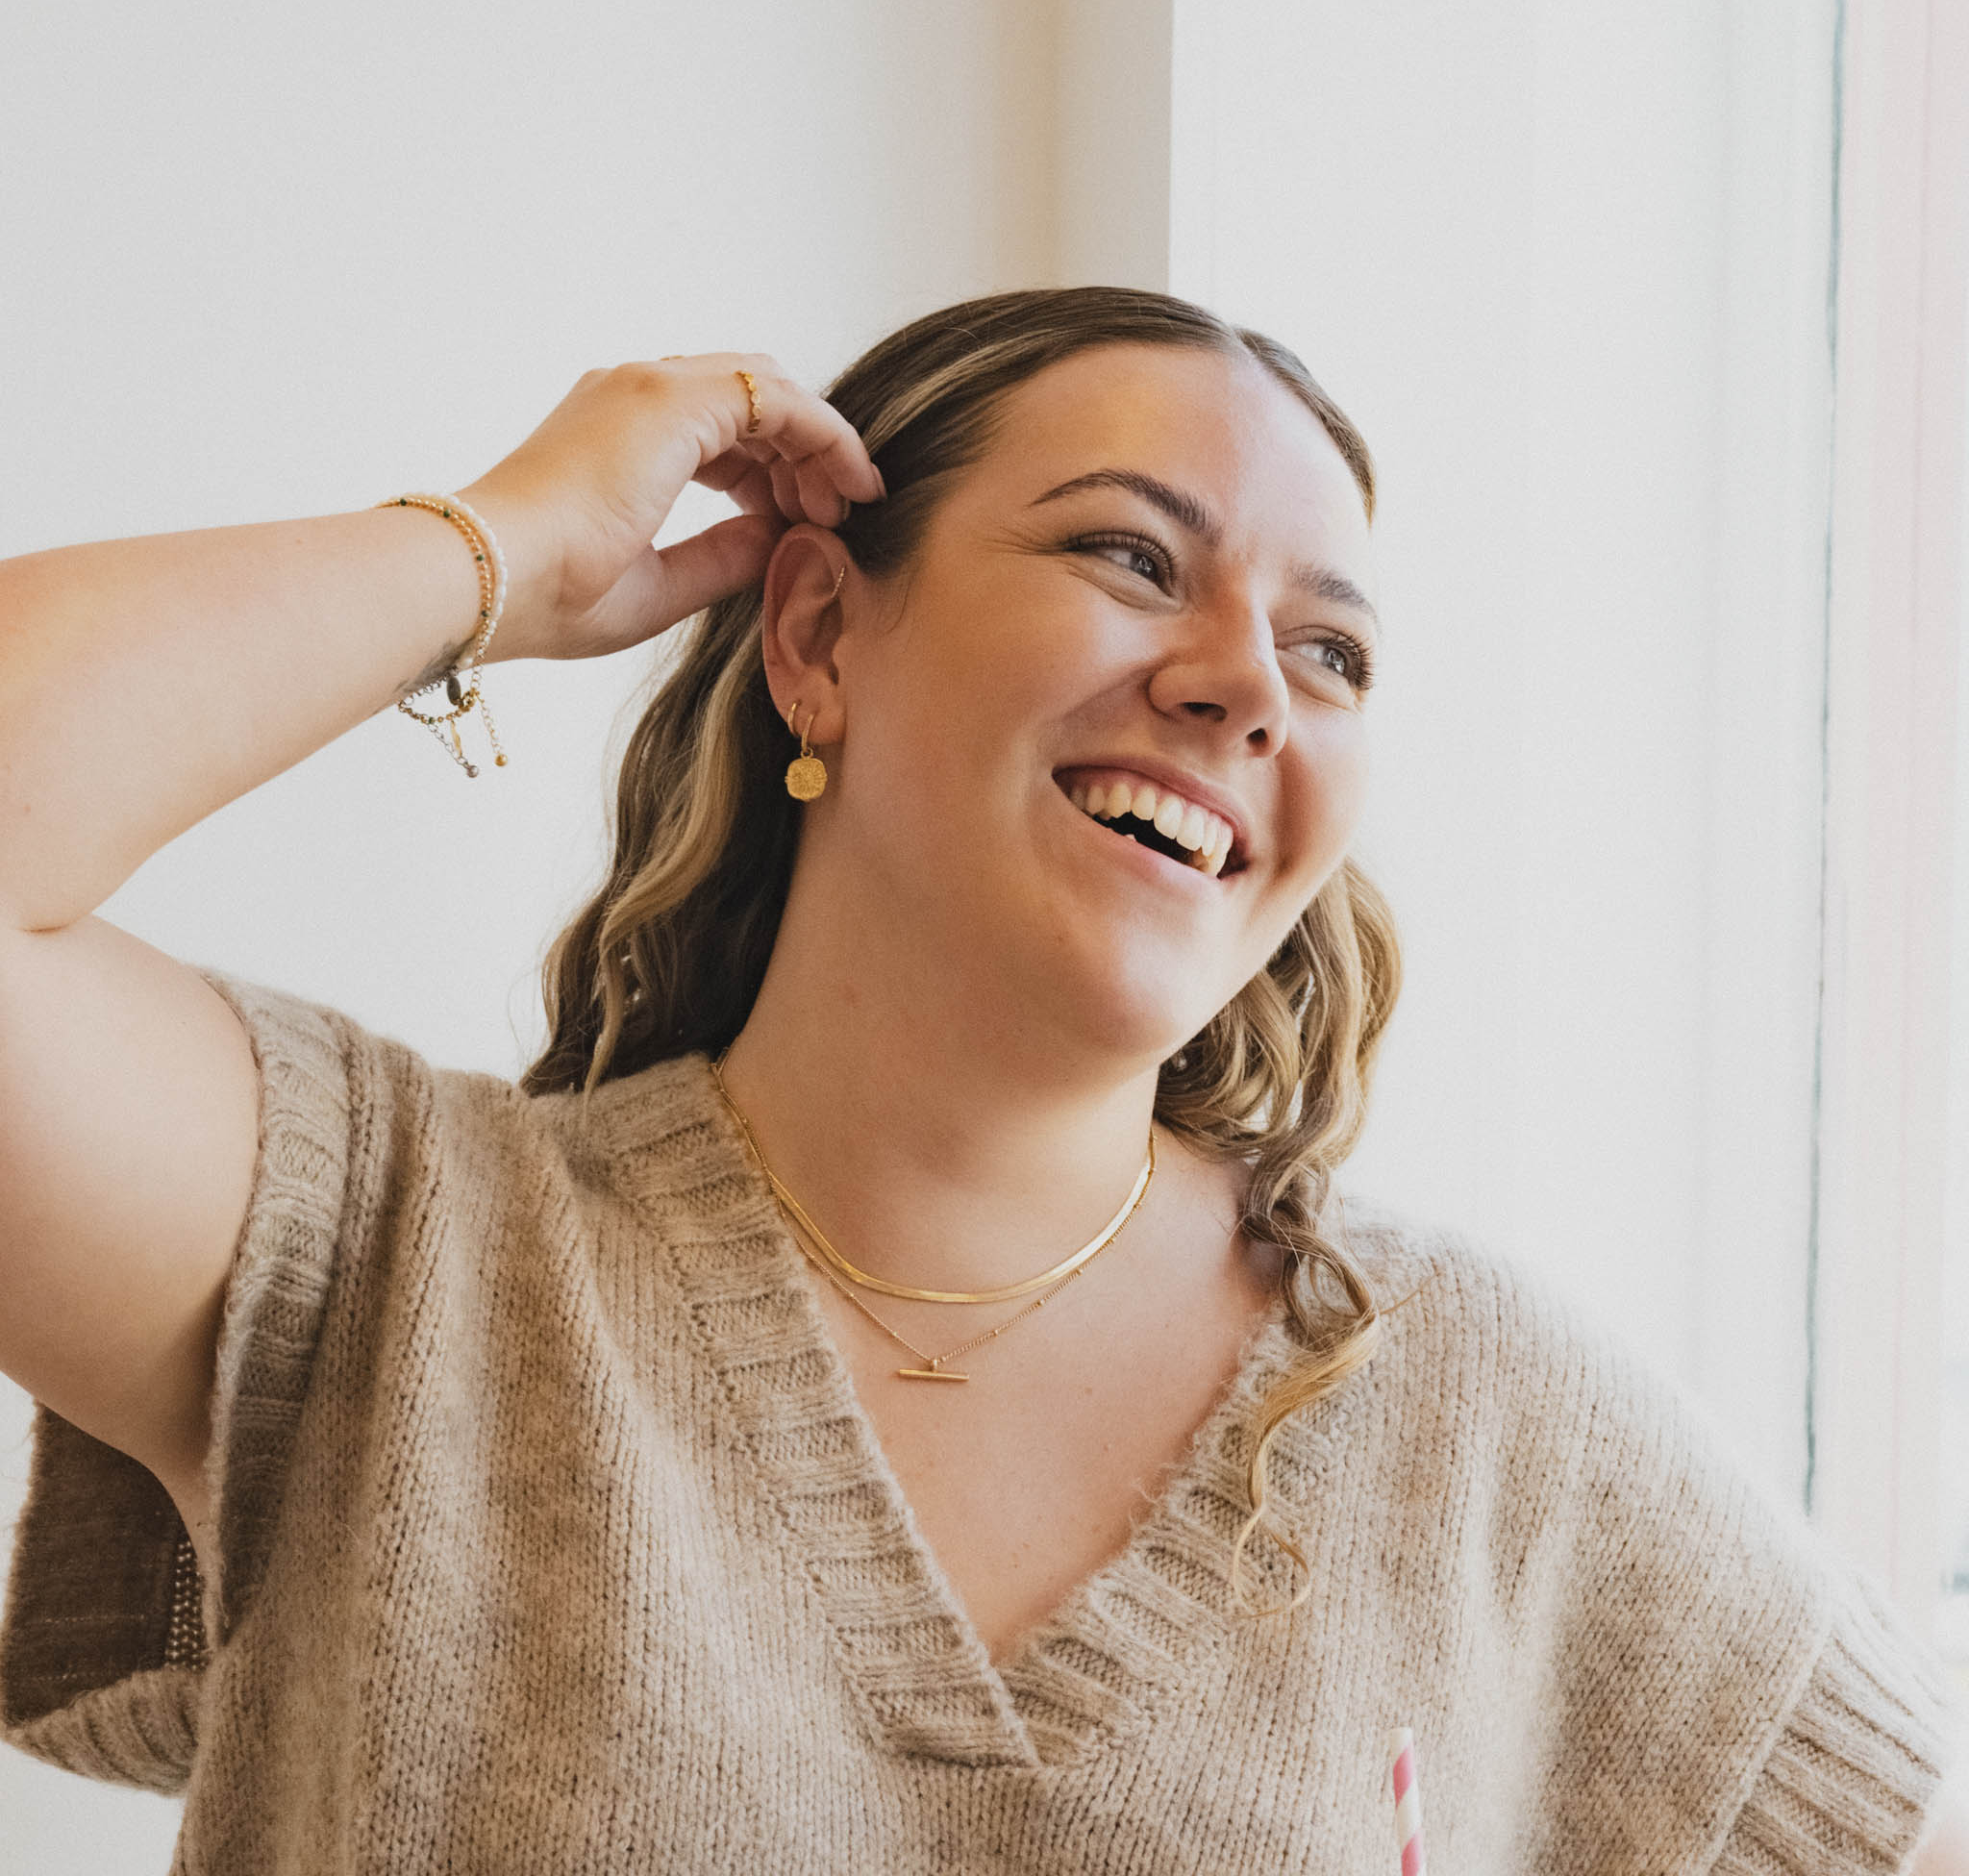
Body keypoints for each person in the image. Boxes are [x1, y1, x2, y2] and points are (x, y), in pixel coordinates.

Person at [0, 287, 1962, 1872]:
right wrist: (498, 549)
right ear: (821, 633)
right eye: (1130, 554)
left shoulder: (1480, 1421)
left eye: (1330, 652)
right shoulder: (393, 1257)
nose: (1246, 682)